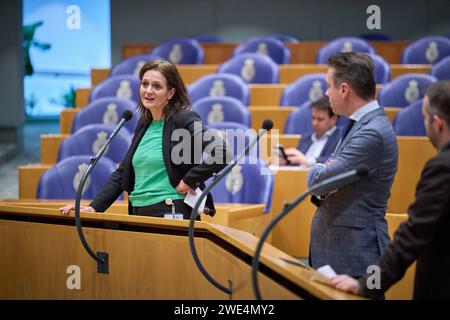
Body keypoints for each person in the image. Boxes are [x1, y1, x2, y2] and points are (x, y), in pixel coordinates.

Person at [60, 60, 231, 219]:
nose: (148, 90)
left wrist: (189, 179)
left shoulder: (183, 119)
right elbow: (123, 172)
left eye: (157, 86)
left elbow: (222, 152)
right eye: (145, 84)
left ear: (170, 92)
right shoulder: (144, 122)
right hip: (138, 212)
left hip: (171, 211)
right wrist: (95, 207)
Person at [330, 80, 450, 299]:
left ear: (438, 123)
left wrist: (368, 283)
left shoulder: (443, 167)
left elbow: (411, 237)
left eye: (424, 119)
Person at [307, 52, 398, 277]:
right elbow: (328, 177)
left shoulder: (371, 132)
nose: (326, 93)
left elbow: (318, 182)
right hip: (341, 251)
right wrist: (326, 170)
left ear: (344, 89)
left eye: (329, 86)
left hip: (355, 256)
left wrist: (320, 170)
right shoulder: (358, 124)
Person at [277, 96, 341, 167]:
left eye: (320, 119)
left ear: (334, 119)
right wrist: (287, 161)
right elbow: (298, 162)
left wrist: (307, 161)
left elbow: (336, 161)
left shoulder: (340, 138)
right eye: (313, 118)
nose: (315, 123)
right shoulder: (305, 138)